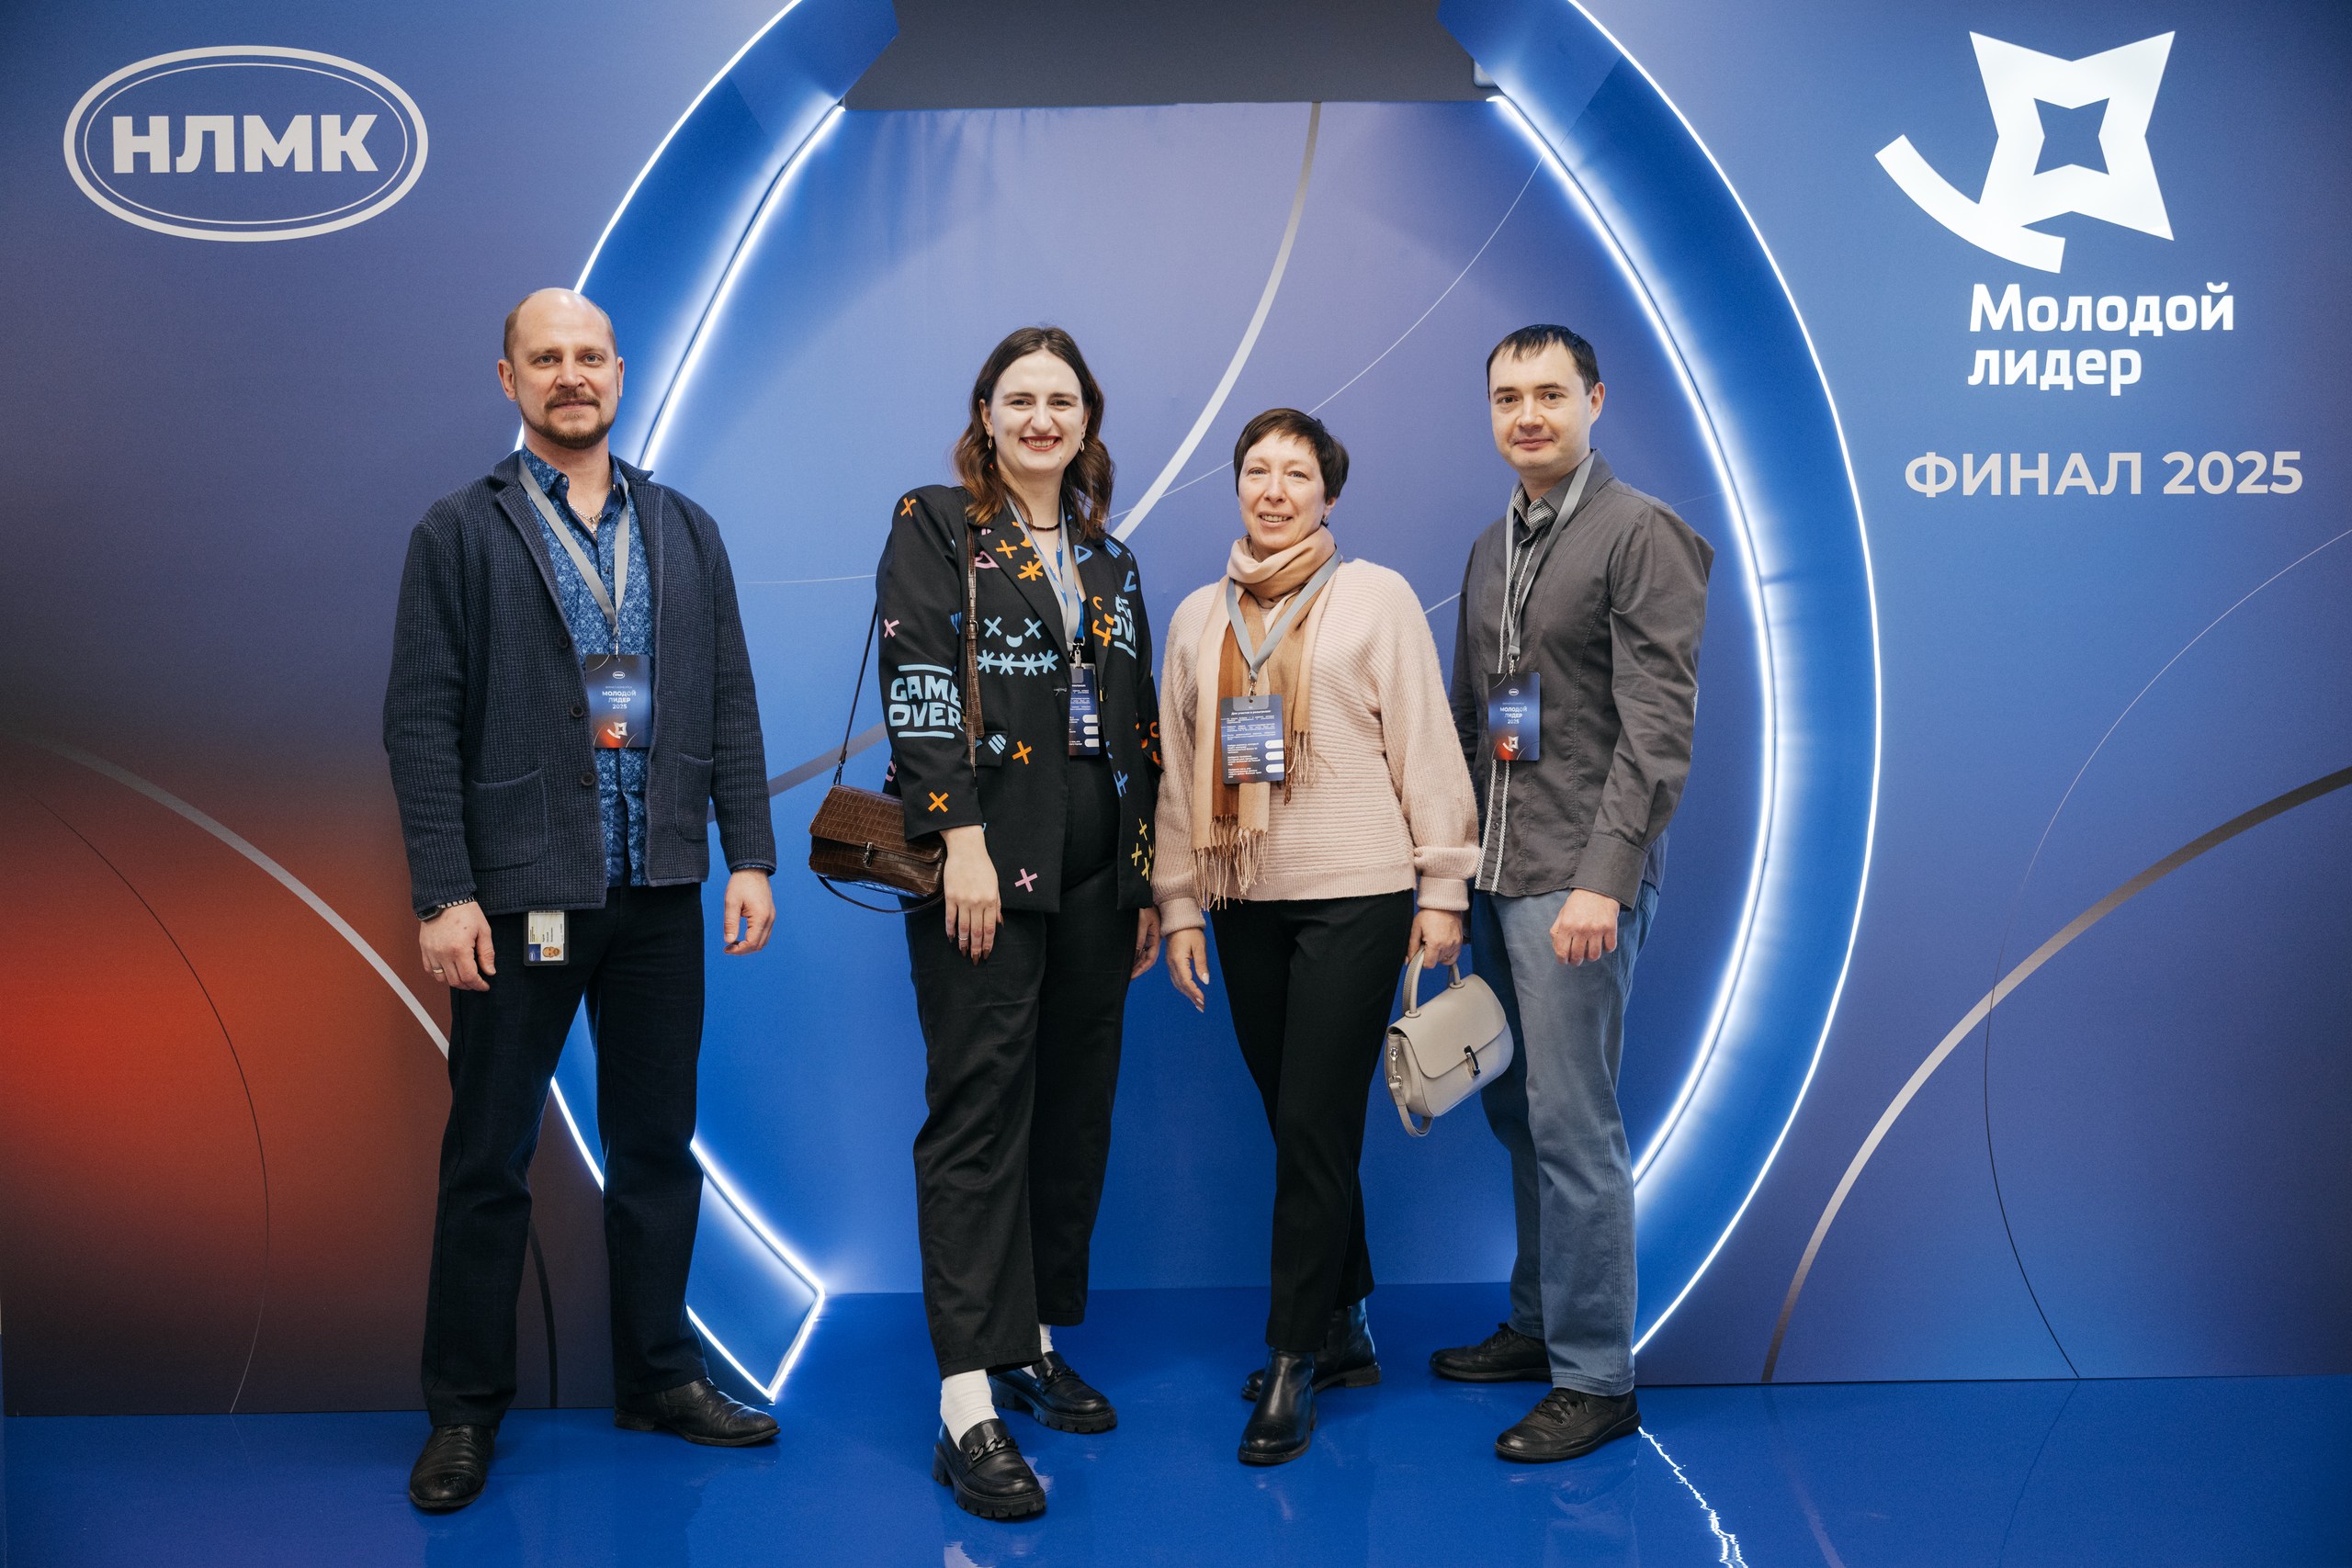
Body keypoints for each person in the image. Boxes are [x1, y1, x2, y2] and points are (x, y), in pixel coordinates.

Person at [383, 288, 780, 1513]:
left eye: (590, 356)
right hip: (527, 901)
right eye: (546, 357)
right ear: (507, 378)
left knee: (658, 1147)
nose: (572, 375)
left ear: (620, 372)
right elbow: (419, 721)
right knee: (489, 1157)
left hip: (660, 887)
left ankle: (659, 1376)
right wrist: (444, 892)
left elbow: (727, 696)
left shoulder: (685, 528)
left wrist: (749, 854)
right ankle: (463, 1411)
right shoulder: (460, 530)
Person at [876, 326, 1163, 1521]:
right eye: (1019, 398)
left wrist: (1144, 882)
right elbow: (918, 688)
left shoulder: (1111, 560)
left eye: (1062, 400)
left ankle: (1032, 1340)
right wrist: (960, 843)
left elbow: (1138, 727)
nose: (1041, 418)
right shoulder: (937, 525)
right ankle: (965, 1400)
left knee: (1069, 1113)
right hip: (985, 875)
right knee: (979, 1118)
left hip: (1098, 887)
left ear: (1087, 421)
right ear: (985, 415)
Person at [1156, 408, 1479, 1466]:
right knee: (1301, 1124)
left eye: (1297, 474)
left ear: (1328, 495)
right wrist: (1178, 904)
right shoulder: (1198, 617)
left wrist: (1443, 888)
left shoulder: (1375, 596)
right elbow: (1177, 771)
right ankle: (1345, 1326)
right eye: (1257, 470)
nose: (1274, 489)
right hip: (1242, 896)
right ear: (1236, 486)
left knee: (1311, 1121)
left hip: (1359, 892)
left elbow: (1426, 744)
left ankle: (1293, 1356)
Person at [1432, 324, 1712, 1462]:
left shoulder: (1641, 533)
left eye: (1550, 394)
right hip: (1498, 870)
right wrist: (1450, 873)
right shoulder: (1491, 545)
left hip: (1576, 883)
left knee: (1573, 1123)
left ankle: (1597, 1377)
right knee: (1516, 1112)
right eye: (1508, 397)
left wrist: (1606, 880)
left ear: (1594, 401)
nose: (1528, 415)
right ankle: (1539, 1322)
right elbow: (1473, 716)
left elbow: (1657, 729)